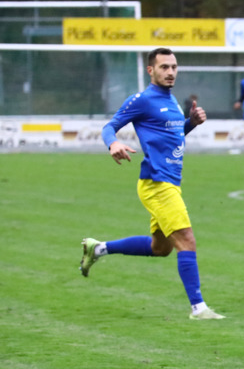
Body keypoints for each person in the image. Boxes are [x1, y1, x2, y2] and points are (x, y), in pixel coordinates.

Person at [79, 47, 223, 321]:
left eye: (173, 67)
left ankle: (98, 248)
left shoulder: (172, 101)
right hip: (157, 183)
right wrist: (114, 143)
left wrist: (190, 124)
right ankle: (198, 308)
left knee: (161, 248)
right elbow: (109, 126)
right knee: (187, 241)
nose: (170, 72)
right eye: (164, 67)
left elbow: (173, 134)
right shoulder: (143, 100)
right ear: (151, 70)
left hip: (169, 182)